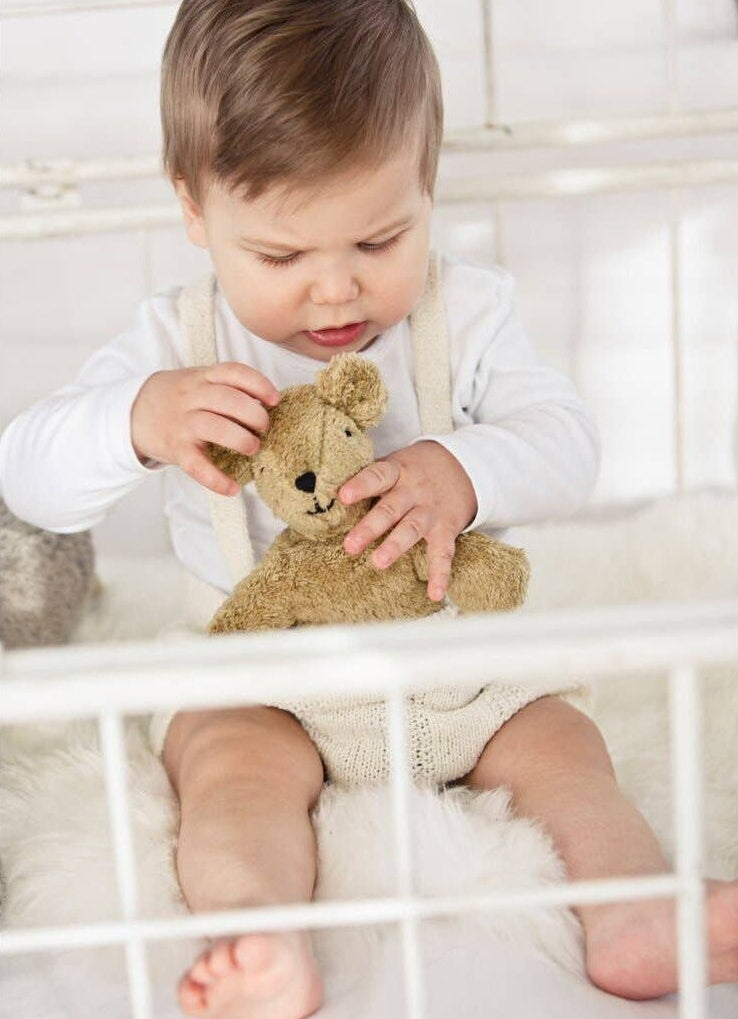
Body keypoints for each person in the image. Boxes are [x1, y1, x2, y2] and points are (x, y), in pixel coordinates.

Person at [2, 1, 736, 1016]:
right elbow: (27, 477)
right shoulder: (174, 341)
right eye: (280, 256)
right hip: (257, 676)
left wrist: (466, 468)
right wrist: (135, 420)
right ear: (193, 208)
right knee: (229, 777)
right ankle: (260, 935)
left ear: (427, 183)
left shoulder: (468, 311)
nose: (335, 290)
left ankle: (637, 912)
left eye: (380, 236)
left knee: (566, 745)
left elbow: (569, 443)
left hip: (454, 662)